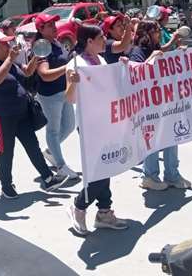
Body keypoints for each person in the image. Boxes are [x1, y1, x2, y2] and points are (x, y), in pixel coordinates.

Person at [0, 29, 67, 199]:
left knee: (32, 145)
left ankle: (48, 178)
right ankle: (6, 184)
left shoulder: (9, 61)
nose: (9, 45)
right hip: (2, 115)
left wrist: (37, 55)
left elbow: (27, 72)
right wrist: (11, 59)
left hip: (21, 112)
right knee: (6, 150)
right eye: (5, 43)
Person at [65, 24, 129, 234]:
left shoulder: (100, 60)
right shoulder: (76, 64)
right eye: (101, 37)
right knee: (100, 171)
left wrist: (121, 68)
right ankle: (79, 206)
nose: (105, 40)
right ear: (89, 41)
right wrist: (73, 82)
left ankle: (104, 211)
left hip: (106, 122)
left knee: (107, 166)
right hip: (89, 126)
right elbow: (70, 98)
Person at [130, 20, 190, 191]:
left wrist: (177, 54)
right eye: (155, 31)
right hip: (148, 105)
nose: (158, 34)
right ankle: (149, 176)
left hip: (163, 101)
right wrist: (153, 57)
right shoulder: (137, 51)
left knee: (172, 136)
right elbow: (137, 71)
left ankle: (172, 174)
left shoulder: (153, 48)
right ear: (145, 33)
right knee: (152, 140)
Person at [34, 13, 79, 180]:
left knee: (69, 125)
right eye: (49, 25)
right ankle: (60, 166)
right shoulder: (41, 46)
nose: (54, 26)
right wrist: (67, 67)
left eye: (54, 23)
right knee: (53, 130)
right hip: (50, 95)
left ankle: (51, 151)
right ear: (40, 29)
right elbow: (44, 74)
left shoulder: (56, 42)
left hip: (64, 90)